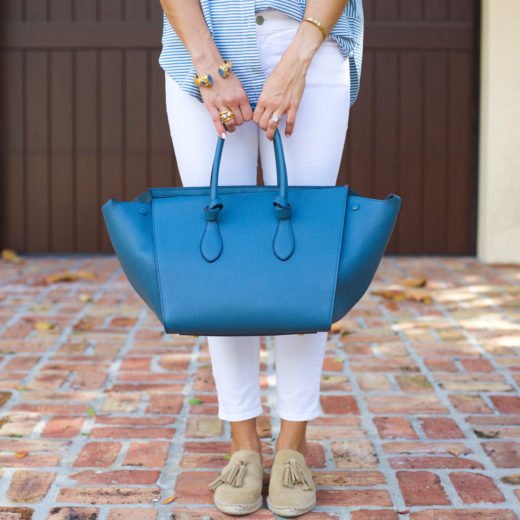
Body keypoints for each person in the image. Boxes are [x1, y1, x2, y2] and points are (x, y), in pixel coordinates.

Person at [158, 0, 364, 516]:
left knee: (304, 259)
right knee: (220, 259)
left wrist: (297, 60)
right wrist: (208, 65)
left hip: (308, 43)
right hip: (201, 43)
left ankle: (293, 444)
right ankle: (243, 444)